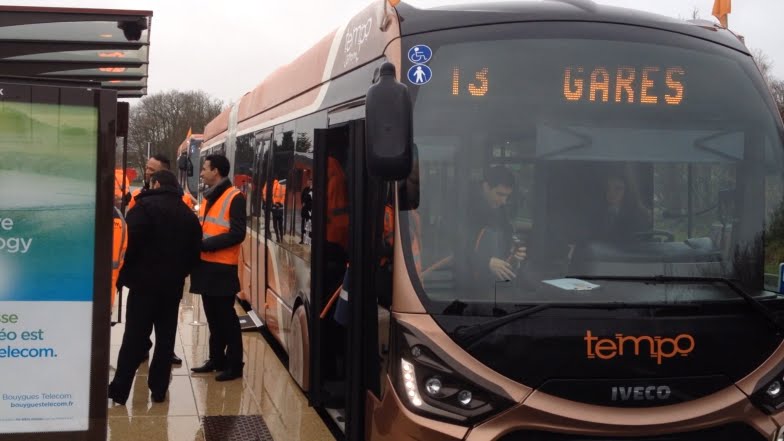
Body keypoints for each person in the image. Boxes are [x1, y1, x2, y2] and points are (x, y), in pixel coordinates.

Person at [108, 170, 202, 404]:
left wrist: (127, 275)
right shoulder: (187, 214)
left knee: (134, 339)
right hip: (171, 288)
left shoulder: (142, 208)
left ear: (157, 183)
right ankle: (159, 389)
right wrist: (180, 273)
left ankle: (120, 390)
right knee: (165, 339)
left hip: (143, 286)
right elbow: (194, 252)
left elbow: (128, 246)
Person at [190, 154, 247, 382]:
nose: (201, 173)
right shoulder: (208, 197)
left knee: (227, 320)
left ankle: (235, 365)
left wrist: (205, 245)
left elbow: (237, 233)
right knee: (213, 318)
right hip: (205, 266)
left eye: (204, 169)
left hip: (222, 268)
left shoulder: (235, 197)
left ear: (216, 171)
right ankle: (216, 359)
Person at [467, 166, 526, 287]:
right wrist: (486, 263)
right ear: (486, 186)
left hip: (495, 284)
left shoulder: (501, 212)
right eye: (500, 194)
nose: (503, 201)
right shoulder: (463, 208)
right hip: (467, 288)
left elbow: (506, 241)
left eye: (507, 196)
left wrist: (514, 253)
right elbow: (453, 250)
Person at [127, 154, 194, 212]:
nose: (147, 172)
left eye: (151, 169)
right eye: (146, 168)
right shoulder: (136, 195)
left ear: (164, 173)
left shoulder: (184, 198)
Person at [594, 174, 651, 241]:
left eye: (618, 188)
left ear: (628, 190)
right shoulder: (597, 214)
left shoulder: (640, 214)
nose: (611, 193)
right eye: (608, 188)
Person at [300, 178, 313, 244]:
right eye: (308, 182)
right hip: (304, 210)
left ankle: (308, 240)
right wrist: (302, 203)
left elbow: (310, 200)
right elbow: (302, 197)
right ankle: (302, 239)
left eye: (310, 182)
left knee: (309, 226)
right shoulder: (305, 189)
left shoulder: (312, 190)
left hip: (309, 211)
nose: (309, 183)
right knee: (303, 225)